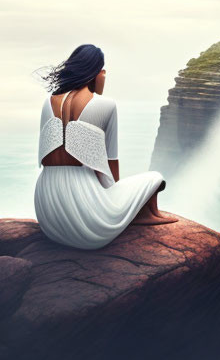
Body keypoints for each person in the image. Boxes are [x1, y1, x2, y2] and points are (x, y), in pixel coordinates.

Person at [33, 43, 177, 250]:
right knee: (154, 178)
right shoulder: (106, 104)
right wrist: (113, 200)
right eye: (103, 72)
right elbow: (111, 164)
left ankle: (139, 216)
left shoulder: (48, 102)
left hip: (49, 219)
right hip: (89, 227)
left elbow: (45, 158)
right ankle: (146, 217)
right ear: (96, 72)